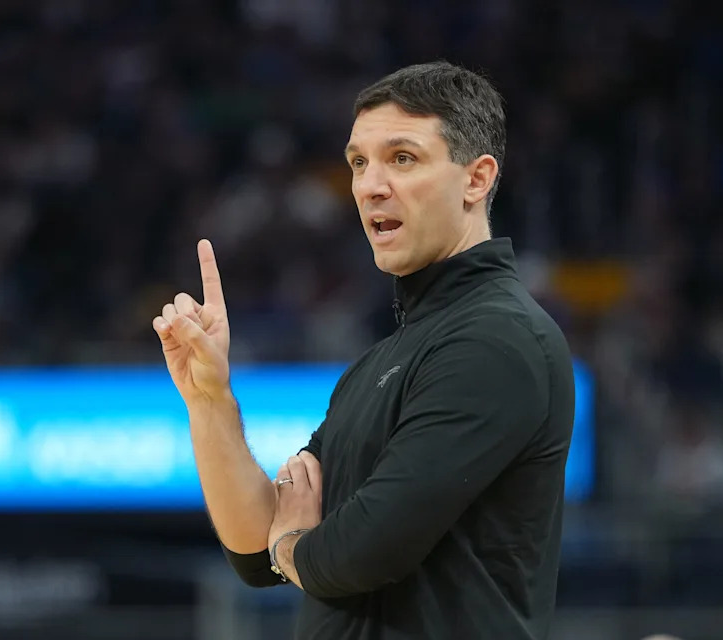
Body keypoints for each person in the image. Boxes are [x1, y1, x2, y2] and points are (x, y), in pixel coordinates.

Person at [152, 61, 575, 639]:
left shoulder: (498, 340)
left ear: (476, 180)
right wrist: (209, 401)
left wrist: (292, 547)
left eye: (402, 158)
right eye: (358, 162)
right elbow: (257, 551)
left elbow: (358, 552)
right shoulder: (380, 363)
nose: (371, 185)